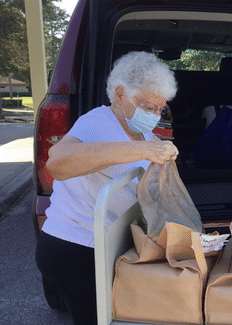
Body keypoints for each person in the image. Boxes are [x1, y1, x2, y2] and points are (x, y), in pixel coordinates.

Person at [35, 51, 179, 325]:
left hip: (108, 244)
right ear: (120, 93)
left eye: (160, 108)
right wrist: (138, 149)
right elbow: (58, 163)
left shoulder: (143, 131)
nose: (154, 115)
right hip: (75, 248)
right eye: (148, 106)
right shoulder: (96, 122)